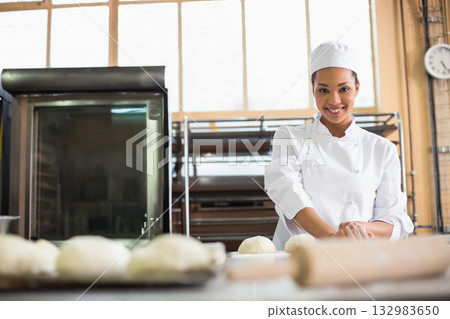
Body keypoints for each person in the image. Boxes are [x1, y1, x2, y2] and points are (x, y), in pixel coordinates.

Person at [264, 41, 414, 250]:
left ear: (357, 88)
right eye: (323, 90)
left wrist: (357, 229)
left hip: (357, 254)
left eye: (344, 89)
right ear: (313, 91)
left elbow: (393, 218)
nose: (334, 100)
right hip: (302, 257)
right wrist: (331, 237)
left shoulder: (381, 149)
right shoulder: (290, 137)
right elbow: (286, 191)